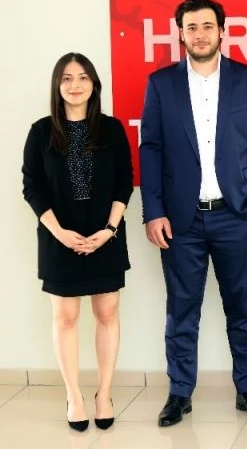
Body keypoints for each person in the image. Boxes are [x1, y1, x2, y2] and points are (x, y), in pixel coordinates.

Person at [139, 0, 247, 426]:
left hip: (236, 215)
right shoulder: (161, 84)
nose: (199, 34)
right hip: (181, 220)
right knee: (182, 310)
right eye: (191, 27)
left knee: (243, 307)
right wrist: (153, 211)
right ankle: (180, 393)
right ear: (180, 33)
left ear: (222, 32)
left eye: (207, 26)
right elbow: (151, 148)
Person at [22, 52, 133, 431]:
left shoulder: (111, 129)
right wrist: (59, 233)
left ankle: (104, 394)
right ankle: (74, 396)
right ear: (57, 85)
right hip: (59, 238)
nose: (75, 85)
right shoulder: (41, 132)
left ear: (94, 85)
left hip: (106, 235)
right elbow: (32, 188)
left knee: (107, 315)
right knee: (66, 318)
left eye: (83, 77)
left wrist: (110, 230)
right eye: (67, 78)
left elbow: (124, 181)